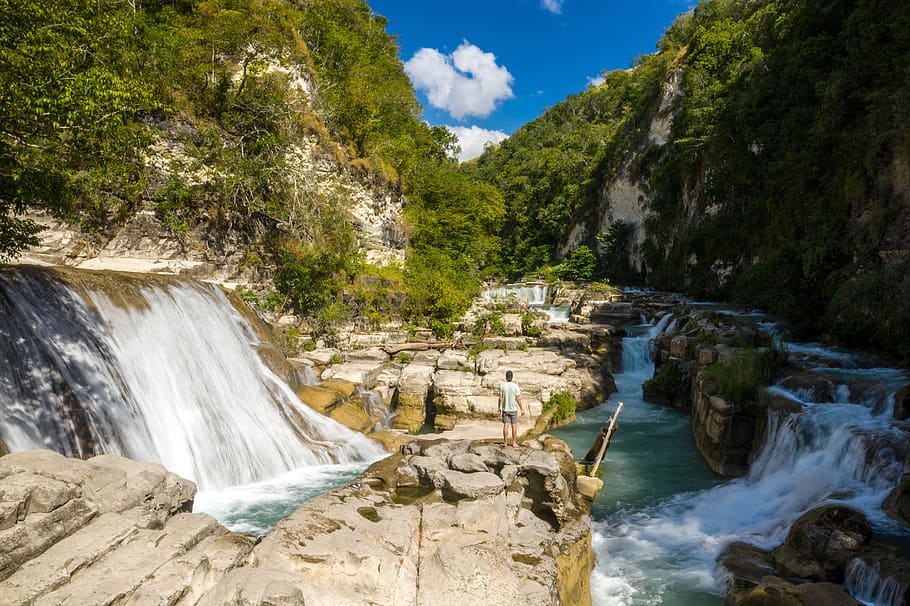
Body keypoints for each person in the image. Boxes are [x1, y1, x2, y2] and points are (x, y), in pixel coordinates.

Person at [498, 370, 523, 447]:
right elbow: (518, 399)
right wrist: (522, 408)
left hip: (505, 409)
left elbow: (500, 398)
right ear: (512, 377)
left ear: (506, 377)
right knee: (514, 425)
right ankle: (514, 443)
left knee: (506, 425)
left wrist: (499, 407)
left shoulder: (502, 386)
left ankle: (505, 443)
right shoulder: (516, 386)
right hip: (513, 409)